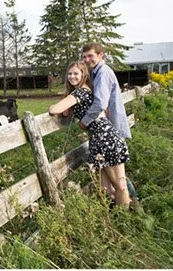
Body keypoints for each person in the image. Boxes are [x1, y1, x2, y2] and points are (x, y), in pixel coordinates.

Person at [48, 59, 131, 207]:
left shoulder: (80, 92)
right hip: (100, 137)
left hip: (105, 137)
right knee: (105, 188)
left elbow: (54, 110)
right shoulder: (86, 90)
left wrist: (54, 105)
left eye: (76, 73)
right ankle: (118, 216)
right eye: (69, 74)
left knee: (120, 186)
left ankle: (129, 219)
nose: (72, 76)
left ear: (83, 75)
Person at [77, 42, 133, 207]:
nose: (87, 60)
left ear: (101, 55)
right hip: (104, 133)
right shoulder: (96, 73)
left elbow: (100, 102)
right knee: (107, 186)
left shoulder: (103, 73)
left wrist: (84, 121)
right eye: (85, 57)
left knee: (119, 183)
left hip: (108, 133)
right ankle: (125, 210)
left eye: (91, 56)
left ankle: (128, 214)